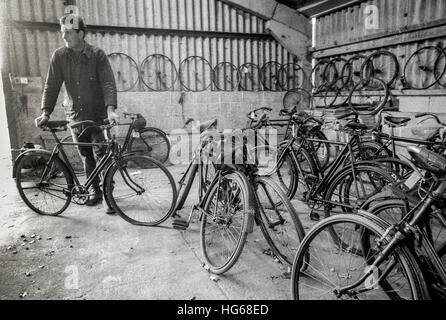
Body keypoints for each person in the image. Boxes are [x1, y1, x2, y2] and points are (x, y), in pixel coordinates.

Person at [35, 14, 120, 214]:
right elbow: (52, 86)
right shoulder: (59, 56)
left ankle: (108, 196)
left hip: (98, 117)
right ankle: (94, 191)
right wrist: (45, 112)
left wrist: (111, 109)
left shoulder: (97, 55)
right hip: (74, 116)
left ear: (81, 33)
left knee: (103, 156)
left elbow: (108, 83)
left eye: (68, 32)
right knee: (85, 156)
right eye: (62, 32)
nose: (64, 36)